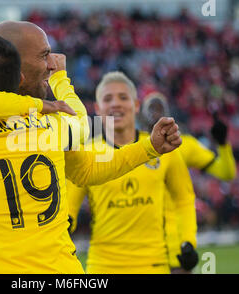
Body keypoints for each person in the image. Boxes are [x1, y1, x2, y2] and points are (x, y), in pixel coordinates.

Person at [0, 27, 182, 273]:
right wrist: (147, 148)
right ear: (19, 73)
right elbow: (86, 140)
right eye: (45, 56)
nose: (53, 63)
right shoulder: (53, 127)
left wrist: (149, 146)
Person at [66, 72, 197, 274]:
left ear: (136, 106)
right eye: (108, 99)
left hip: (154, 265)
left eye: (123, 97)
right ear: (98, 109)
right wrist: (65, 226)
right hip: (103, 268)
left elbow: (184, 199)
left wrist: (188, 241)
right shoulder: (86, 153)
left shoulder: (163, 147)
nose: (116, 104)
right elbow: (69, 209)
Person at [141, 91, 237, 273]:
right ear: (141, 113)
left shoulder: (184, 145)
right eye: (151, 109)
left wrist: (223, 144)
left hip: (176, 247)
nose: (155, 114)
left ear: (168, 113)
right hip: (140, 247)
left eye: (159, 108)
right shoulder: (133, 149)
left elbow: (226, 173)